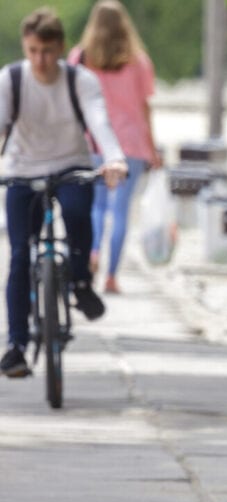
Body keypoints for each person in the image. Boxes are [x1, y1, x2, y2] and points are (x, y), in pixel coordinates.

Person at [1, 7, 127, 378]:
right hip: (23, 169)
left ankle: (81, 281)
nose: (40, 60)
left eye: (47, 51)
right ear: (26, 48)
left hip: (71, 164)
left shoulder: (80, 80)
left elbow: (99, 123)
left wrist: (115, 160)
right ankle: (17, 346)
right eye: (33, 51)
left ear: (60, 48)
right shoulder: (11, 79)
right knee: (21, 254)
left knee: (76, 212)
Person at [69, 0, 161, 295]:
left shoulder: (80, 57)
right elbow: (145, 107)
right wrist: (153, 148)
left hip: (92, 141)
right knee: (120, 210)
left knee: (96, 206)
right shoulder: (138, 61)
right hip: (130, 144)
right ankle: (111, 276)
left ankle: (93, 251)